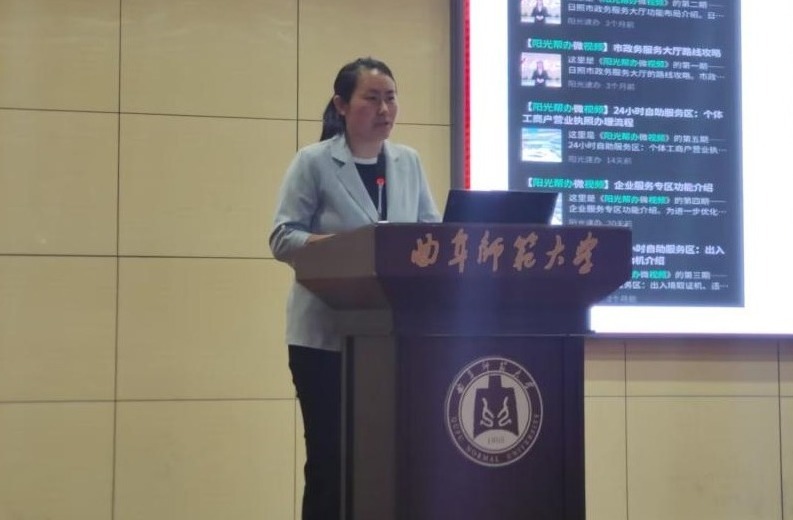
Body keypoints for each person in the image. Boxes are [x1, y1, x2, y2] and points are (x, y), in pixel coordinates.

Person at [269, 57, 441, 520]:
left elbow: (430, 233)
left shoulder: (408, 162)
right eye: (372, 98)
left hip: (391, 338)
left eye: (391, 98)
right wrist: (348, 247)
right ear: (342, 105)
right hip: (324, 339)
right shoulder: (314, 161)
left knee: (387, 460)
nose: (385, 109)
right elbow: (283, 237)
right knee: (330, 461)